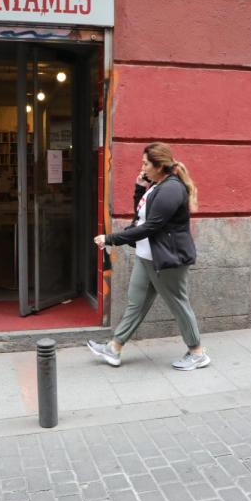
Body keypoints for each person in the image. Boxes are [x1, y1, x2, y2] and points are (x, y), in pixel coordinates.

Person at [89, 142, 209, 371]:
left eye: (145, 163)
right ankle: (114, 348)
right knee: (136, 303)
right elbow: (141, 218)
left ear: (158, 165)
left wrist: (111, 239)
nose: (142, 167)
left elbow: (152, 226)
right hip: (147, 257)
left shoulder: (172, 189)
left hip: (166, 260)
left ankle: (197, 352)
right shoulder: (156, 186)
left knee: (178, 305)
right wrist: (138, 189)